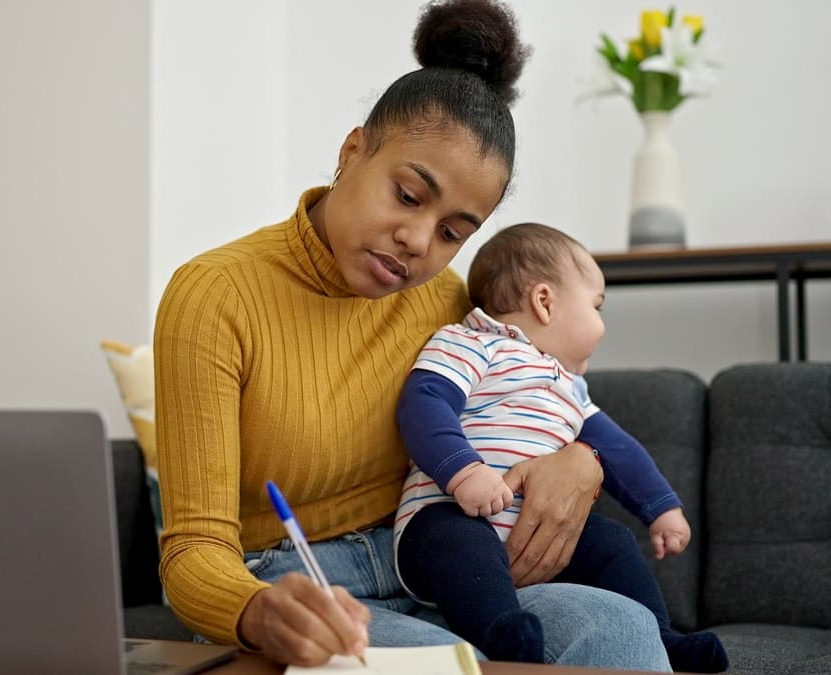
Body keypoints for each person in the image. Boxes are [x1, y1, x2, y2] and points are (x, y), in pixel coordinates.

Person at [153, 0, 671, 669]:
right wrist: (258, 608)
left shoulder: (447, 300)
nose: (419, 242)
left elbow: (532, 400)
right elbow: (193, 550)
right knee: (447, 663)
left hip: (432, 564)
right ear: (352, 152)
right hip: (299, 585)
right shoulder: (215, 296)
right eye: (407, 195)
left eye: (454, 231)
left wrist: (582, 461)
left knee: (622, 627)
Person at [393, 223, 729, 672]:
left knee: (611, 540)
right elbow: (424, 403)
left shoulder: (572, 387)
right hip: (444, 518)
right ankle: (500, 633)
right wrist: (464, 471)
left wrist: (662, 508)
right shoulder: (470, 343)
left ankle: (663, 638)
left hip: (532, 536)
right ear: (544, 302)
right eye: (596, 305)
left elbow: (617, 448)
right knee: (459, 538)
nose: (603, 324)